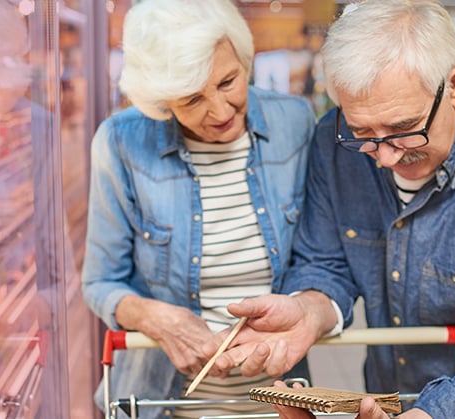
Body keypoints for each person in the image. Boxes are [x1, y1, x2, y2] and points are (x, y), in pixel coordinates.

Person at [206, 1, 455, 418]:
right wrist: (309, 308)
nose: (384, 157)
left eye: (403, 130)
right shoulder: (333, 143)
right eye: (362, 131)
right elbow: (326, 262)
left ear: (454, 85)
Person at [80, 0, 316, 418]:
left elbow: (319, 258)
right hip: (162, 399)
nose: (221, 112)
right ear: (161, 103)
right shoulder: (121, 142)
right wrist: (155, 317)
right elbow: (100, 283)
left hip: (279, 394)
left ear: (245, 58)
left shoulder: (294, 122)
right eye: (191, 100)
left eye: (228, 81)